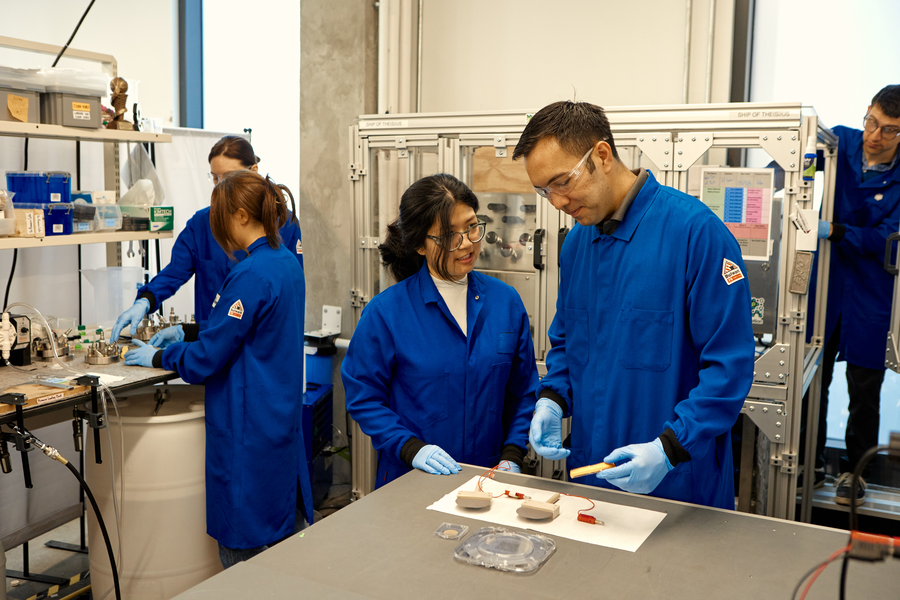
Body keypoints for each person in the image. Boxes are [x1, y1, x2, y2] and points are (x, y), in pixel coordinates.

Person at [514, 101, 755, 510]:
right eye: (544, 191)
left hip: (677, 482)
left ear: (602, 156)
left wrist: (669, 449)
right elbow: (568, 344)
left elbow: (728, 367)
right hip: (593, 478)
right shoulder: (577, 244)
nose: (556, 202)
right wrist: (551, 400)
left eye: (562, 182)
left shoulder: (695, 234)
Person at [124, 172, 313, 568]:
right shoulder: (285, 262)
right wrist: (190, 330)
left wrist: (160, 357)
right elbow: (252, 328)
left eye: (220, 217)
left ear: (241, 215)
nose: (216, 228)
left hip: (247, 427)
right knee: (283, 541)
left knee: (242, 552)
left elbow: (208, 359)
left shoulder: (250, 273)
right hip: (277, 418)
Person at [341, 174, 538, 488]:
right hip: (410, 479)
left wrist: (513, 453)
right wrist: (410, 448)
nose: (467, 243)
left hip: (487, 480)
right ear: (420, 244)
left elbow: (524, 390)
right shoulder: (386, 312)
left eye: (471, 226)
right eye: (448, 236)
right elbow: (363, 397)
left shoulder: (505, 302)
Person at [804, 84, 900, 507]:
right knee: (812, 378)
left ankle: (854, 474)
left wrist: (837, 231)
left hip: (871, 291)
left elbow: (888, 238)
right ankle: (807, 464)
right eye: (871, 121)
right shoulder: (838, 142)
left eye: (889, 129)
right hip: (826, 283)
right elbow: (786, 164)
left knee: (864, 388)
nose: (874, 135)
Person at [110, 136, 303, 340]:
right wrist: (146, 299)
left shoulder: (285, 224)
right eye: (215, 178)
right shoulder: (202, 223)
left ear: (253, 171)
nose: (220, 186)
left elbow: (291, 295)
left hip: (259, 343)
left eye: (229, 176)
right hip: (210, 340)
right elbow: (175, 271)